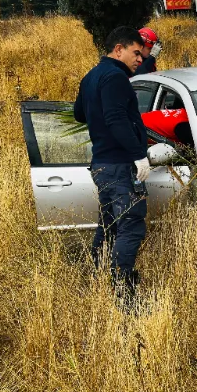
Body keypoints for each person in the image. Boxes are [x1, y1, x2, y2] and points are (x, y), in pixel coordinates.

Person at [73, 27, 151, 293]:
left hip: (102, 165)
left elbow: (79, 114)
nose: (140, 59)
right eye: (136, 53)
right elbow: (116, 118)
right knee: (131, 227)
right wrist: (138, 155)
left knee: (109, 225)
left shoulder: (91, 76)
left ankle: (98, 275)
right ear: (119, 49)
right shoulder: (116, 77)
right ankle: (122, 288)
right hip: (119, 165)